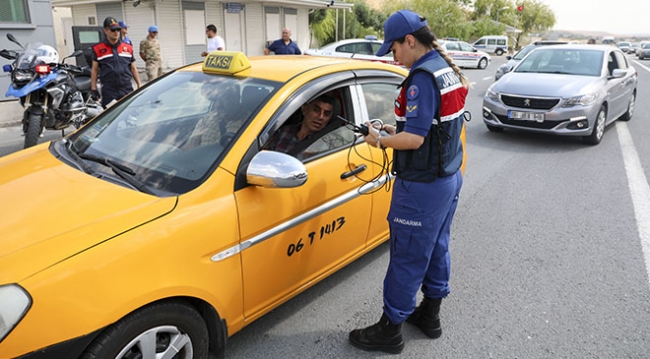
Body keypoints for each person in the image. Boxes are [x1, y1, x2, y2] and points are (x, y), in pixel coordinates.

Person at [348, 9, 468, 354]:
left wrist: (380, 140)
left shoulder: (421, 79)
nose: (393, 56)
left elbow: (414, 140)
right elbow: (432, 128)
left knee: (406, 256)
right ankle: (430, 315)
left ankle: (390, 329)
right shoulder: (446, 70)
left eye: (395, 48)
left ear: (410, 41)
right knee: (436, 247)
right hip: (447, 178)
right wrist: (393, 129)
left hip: (422, 187)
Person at [91, 17, 142, 108]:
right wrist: (93, 88)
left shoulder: (128, 48)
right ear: (106, 31)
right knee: (110, 117)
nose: (116, 33)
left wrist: (139, 84)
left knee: (130, 115)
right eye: (113, 30)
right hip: (109, 90)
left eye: (118, 30)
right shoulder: (98, 48)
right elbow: (94, 70)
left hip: (126, 88)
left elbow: (133, 68)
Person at [264, 94, 334, 158]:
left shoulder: (328, 145)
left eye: (326, 114)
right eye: (316, 110)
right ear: (304, 110)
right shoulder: (284, 132)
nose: (321, 117)